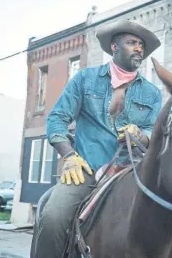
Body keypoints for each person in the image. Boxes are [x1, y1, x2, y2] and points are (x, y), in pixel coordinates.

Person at [33, 20, 162, 258]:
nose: (139, 49)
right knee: (52, 217)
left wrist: (140, 134)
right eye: (132, 43)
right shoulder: (85, 79)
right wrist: (69, 156)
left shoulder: (153, 93)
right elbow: (57, 119)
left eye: (141, 45)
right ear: (114, 46)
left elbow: (156, 133)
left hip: (131, 172)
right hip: (86, 168)